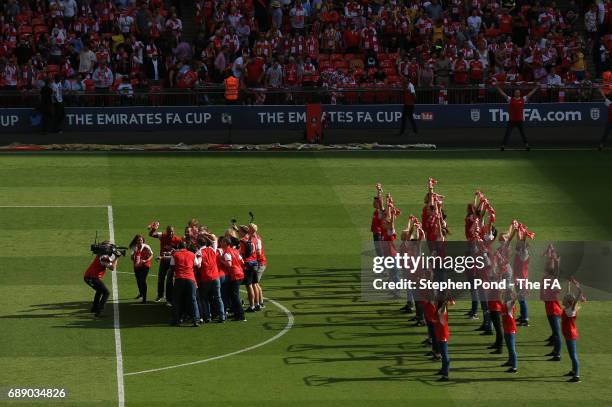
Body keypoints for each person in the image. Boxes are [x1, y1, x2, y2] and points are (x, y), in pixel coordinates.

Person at [168, 241, 202, 327]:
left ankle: (176, 320)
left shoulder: (175, 254)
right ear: (186, 246)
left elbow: (171, 267)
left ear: (178, 247)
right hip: (190, 279)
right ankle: (196, 320)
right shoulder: (192, 254)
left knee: (177, 300)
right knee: (193, 300)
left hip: (179, 279)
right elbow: (197, 265)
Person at [496, 86, 539, 151]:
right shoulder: (510, 99)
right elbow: (503, 94)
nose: (517, 93)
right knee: (507, 134)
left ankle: (527, 145)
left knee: (523, 134)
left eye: (518, 92)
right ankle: (503, 146)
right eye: (516, 92)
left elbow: (530, 94)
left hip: (520, 120)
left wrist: (535, 88)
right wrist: (498, 87)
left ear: (520, 93)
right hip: (511, 121)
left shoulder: (523, 99)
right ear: (514, 93)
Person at [148, 222, 182, 304]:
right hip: (163, 261)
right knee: (160, 278)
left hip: (172, 262)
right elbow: (151, 234)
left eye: (172, 231)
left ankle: (169, 299)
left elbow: (180, 251)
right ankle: (160, 295)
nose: (171, 233)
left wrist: (168, 254)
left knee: (169, 281)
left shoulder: (177, 240)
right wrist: (153, 229)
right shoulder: (162, 236)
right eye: (169, 231)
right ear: (166, 231)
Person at [196, 233, 225, 323]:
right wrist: (206, 234)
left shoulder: (199, 252)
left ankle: (207, 316)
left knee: (204, 298)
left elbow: (198, 264)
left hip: (205, 278)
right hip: (216, 277)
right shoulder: (212, 249)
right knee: (218, 297)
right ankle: (222, 315)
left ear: (198, 244)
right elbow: (214, 239)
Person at [83, 242, 118, 317]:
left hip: (88, 277)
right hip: (92, 278)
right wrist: (117, 257)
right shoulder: (104, 257)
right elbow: (112, 268)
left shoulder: (101, 255)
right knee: (106, 293)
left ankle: (94, 308)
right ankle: (99, 311)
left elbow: (109, 261)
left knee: (99, 290)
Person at [561, 278, 585, 382]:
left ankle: (577, 376)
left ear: (568, 302)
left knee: (573, 355)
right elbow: (569, 294)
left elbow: (576, 298)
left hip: (570, 334)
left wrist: (578, 288)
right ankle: (574, 371)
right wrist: (569, 284)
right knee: (572, 354)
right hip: (568, 334)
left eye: (565, 298)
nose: (563, 298)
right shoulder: (569, 308)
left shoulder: (570, 310)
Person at [219, 237, 246, 321]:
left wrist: (221, 260)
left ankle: (241, 315)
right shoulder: (235, 251)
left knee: (235, 296)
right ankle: (236, 313)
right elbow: (242, 262)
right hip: (239, 274)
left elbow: (229, 264)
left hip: (235, 275)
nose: (220, 243)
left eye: (222, 242)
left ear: (226, 243)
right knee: (233, 295)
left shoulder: (227, 252)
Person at [239, 225, 259, 312]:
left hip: (247, 265)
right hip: (254, 263)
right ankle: (257, 304)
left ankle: (252, 306)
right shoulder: (253, 239)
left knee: (249, 286)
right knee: (255, 284)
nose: (238, 233)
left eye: (239, 231)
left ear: (243, 232)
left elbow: (242, 254)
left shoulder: (242, 241)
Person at [129, 234, 153, 303]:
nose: (140, 241)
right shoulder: (135, 247)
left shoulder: (146, 247)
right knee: (138, 281)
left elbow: (151, 255)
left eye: (141, 240)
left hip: (145, 266)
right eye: (139, 240)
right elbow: (132, 258)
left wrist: (146, 260)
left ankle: (144, 299)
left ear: (143, 241)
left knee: (142, 280)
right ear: (136, 241)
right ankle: (141, 293)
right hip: (137, 266)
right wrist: (134, 254)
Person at [501, 289, 518, 373]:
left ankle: (514, 367)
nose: (503, 294)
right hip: (506, 329)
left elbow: (513, 301)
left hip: (510, 330)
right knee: (509, 347)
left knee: (512, 348)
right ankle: (510, 361)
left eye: (505, 293)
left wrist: (516, 296)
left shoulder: (509, 304)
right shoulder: (504, 304)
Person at [434, 295, 451, 381]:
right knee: (442, 353)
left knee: (444, 354)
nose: (434, 302)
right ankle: (443, 370)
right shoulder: (440, 309)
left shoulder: (442, 310)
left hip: (442, 334)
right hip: (440, 333)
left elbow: (441, 320)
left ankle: (446, 374)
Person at [251, 223, 266, 309]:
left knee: (255, 283)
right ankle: (260, 302)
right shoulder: (255, 237)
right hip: (259, 262)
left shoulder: (257, 239)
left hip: (259, 263)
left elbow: (259, 253)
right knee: (255, 283)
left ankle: (259, 303)